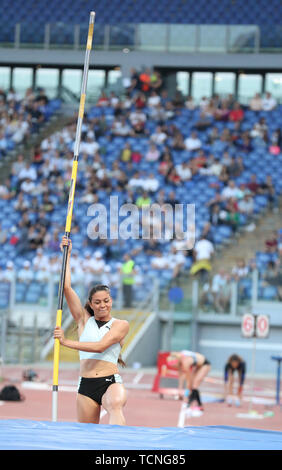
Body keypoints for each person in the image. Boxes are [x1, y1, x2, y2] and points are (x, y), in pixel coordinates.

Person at [53, 236, 129, 425]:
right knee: (86, 434)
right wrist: (67, 254)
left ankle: (119, 450)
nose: (103, 305)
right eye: (97, 302)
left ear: (111, 301)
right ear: (90, 304)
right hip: (85, 384)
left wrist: (65, 342)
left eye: (106, 301)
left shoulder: (121, 324)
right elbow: (66, 287)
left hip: (109, 381)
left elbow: (101, 346)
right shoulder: (83, 320)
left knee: (114, 405)